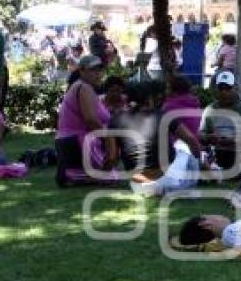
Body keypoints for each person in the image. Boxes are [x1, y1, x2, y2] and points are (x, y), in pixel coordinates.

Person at [108, 82, 203, 195]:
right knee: (183, 146)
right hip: (166, 181)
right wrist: (199, 162)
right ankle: (183, 184)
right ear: (149, 99)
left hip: (137, 186)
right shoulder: (163, 116)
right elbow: (191, 139)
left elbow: (112, 157)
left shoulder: (116, 119)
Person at [55, 55, 113, 186]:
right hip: (79, 142)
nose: (98, 74)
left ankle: (74, 174)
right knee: (112, 176)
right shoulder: (83, 88)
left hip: (72, 142)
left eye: (100, 70)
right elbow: (91, 120)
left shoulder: (83, 87)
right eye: (93, 70)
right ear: (82, 71)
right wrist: (109, 139)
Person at [200, 70, 241, 171]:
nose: (224, 92)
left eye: (228, 88)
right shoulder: (210, 109)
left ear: (235, 88)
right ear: (216, 89)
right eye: (221, 88)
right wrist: (208, 137)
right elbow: (201, 134)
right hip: (217, 151)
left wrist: (233, 142)